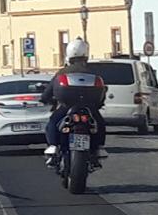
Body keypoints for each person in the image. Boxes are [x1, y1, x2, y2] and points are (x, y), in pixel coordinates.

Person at [39, 38, 108, 168]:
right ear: (86, 55)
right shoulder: (93, 72)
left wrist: (44, 99)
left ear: (69, 55)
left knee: (53, 121)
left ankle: (53, 146)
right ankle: (98, 148)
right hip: (90, 108)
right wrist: (99, 104)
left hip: (67, 107)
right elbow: (102, 91)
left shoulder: (62, 72)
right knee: (99, 123)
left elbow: (49, 90)